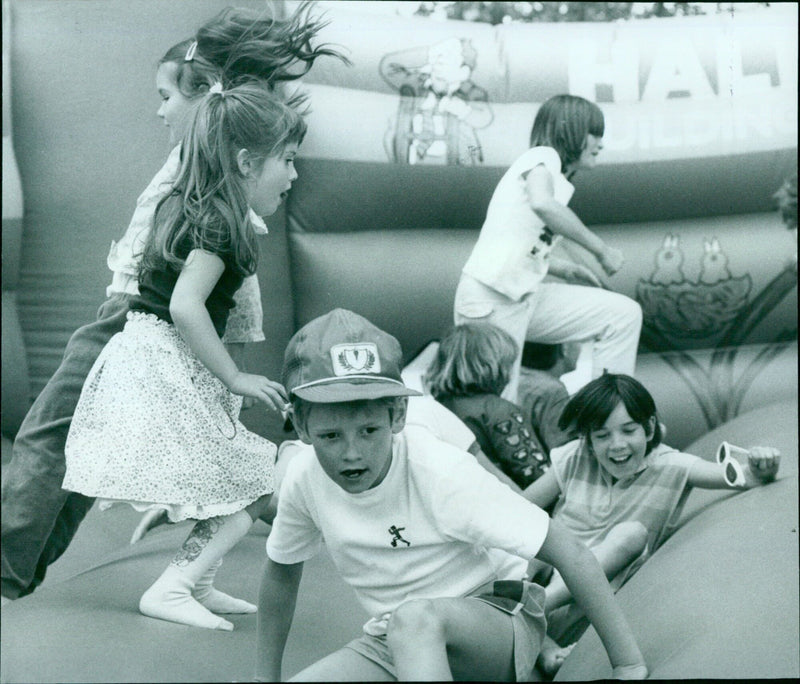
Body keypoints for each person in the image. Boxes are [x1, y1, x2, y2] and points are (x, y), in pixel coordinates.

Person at [0, 2, 345, 602]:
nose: (161, 110)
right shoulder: (219, 182)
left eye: (166, 96)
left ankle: (10, 567)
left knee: (50, 438)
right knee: (87, 454)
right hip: (162, 329)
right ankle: (20, 570)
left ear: (205, 92)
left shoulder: (205, 171)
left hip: (133, 318)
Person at [254, 308, 648, 681]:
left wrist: (628, 664)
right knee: (405, 626)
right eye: (330, 436)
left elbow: (568, 549)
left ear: (397, 416)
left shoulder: (438, 471)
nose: (352, 453)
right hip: (394, 637)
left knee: (414, 620)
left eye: (369, 431)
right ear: (301, 426)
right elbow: (282, 571)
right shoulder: (304, 477)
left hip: (499, 618)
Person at [61, 84, 307, 631]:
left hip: (152, 357)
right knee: (255, 482)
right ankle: (173, 586)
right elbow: (186, 304)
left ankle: (197, 580)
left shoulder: (192, 205)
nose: (293, 176)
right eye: (287, 161)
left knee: (231, 484)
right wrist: (236, 375)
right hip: (161, 363)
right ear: (246, 162)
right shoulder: (221, 223)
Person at [522, 372, 781, 648]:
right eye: (602, 435)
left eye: (629, 430)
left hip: (585, 602)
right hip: (541, 581)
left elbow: (739, 477)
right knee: (536, 527)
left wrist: (761, 465)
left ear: (649, 428)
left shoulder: (671, 465)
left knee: (631, 534)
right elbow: (522, 507)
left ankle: (539, 610)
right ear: (588, 438)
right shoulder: (576, 457)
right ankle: (543, 642)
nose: (617, 445)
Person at [454, 94, 642, 403]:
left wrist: (565, 268)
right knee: (499, 405)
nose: (600, 143)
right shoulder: (541, 157)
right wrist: (600, 250)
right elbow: (542, 203)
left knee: (622, 315)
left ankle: (608, 414)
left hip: (524, 296)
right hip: (489, 299)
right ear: (570, 132)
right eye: (594, 133)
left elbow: (517, 241)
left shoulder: (557, 179)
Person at [424, 323, 551, 490]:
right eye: (509, 364)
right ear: (492, 365)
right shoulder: (500, 411)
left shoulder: (435, 408)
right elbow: (534, 473)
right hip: (504, 506)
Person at [518, 341, 579, 453]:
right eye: (578, 342)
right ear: (564, 348)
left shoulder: (516, 378)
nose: (580, 349)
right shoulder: (553, 391)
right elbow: (563, 449)